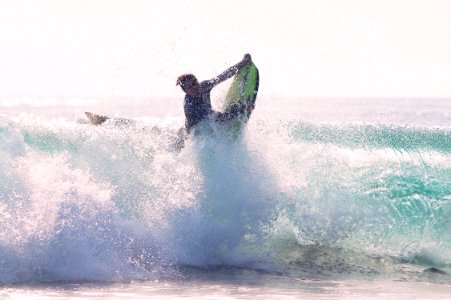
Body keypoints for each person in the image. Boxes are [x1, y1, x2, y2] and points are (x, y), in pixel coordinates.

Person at [176, 54, 253, 134]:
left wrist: (241, 63)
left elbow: (223, 76)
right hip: (195, 133)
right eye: (189, 87)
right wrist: (243, 108)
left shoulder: (204, 86)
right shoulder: (191, 106)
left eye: (194, 82)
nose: (194, 87)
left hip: (207, 119)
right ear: (185, 91)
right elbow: (219, 119)